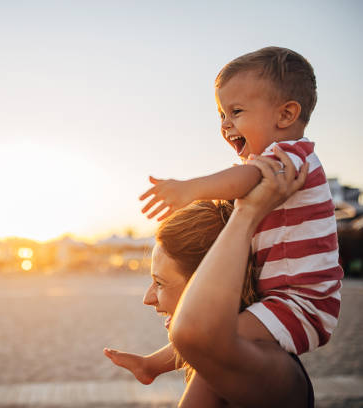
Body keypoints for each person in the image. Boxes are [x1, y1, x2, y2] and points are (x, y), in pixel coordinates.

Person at [139, 47, 342, 356]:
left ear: (286, 114)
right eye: (222, 114)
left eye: (236, 112)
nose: (225, 124)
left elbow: (248, 179)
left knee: (213, 337)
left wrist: (191, 189)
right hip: (281, 298)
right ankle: (153, 366)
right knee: (210, 350)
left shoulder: (293, 155)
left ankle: (156, 363)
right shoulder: (273, 160)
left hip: (302, 303)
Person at [106, 151, 314, 406]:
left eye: (159, 283)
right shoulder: (221, 364)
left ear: (210, 284)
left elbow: (193, 333)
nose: (148, 299)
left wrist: (247, 213)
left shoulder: (270, 374)